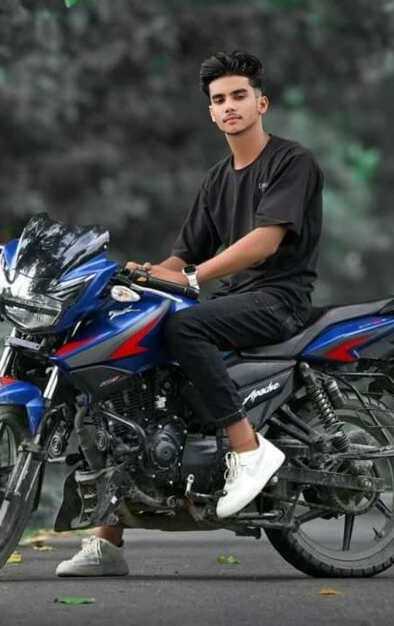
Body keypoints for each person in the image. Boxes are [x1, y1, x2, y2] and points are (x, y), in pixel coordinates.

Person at [56, 50, 324, 577]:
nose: (229, 106)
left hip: (280, 298)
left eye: (239, 96)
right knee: (125, 368)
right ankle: (107, 540)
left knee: (184, 324)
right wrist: (143, 276)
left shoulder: (293, 162)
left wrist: (194, 278)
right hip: (231, 300)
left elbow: (265, 242)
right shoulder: (217, 179)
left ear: (261, 103)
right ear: (210, 112)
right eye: (219, 99)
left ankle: (248, 450)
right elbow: (182, 257)